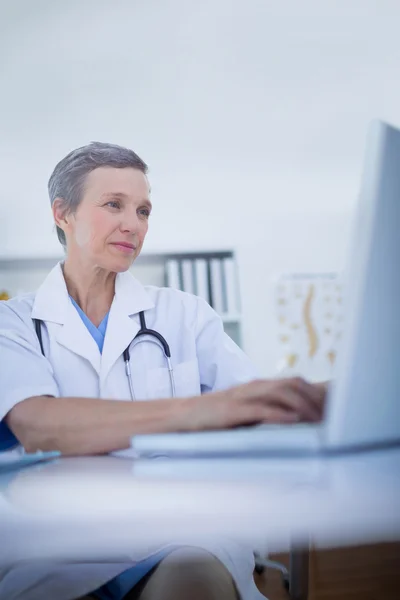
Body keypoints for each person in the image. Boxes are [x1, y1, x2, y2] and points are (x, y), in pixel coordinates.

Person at [0, 142, 326, 600]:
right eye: (114, 205)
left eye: (144, 210)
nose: (133, 224)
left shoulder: (184, 315)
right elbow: (38, 425)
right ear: (63, 213)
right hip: (54, 546)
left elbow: (257, 404)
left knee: (192, 584)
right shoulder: (12, 324)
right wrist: (200, 411)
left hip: (177, 531)